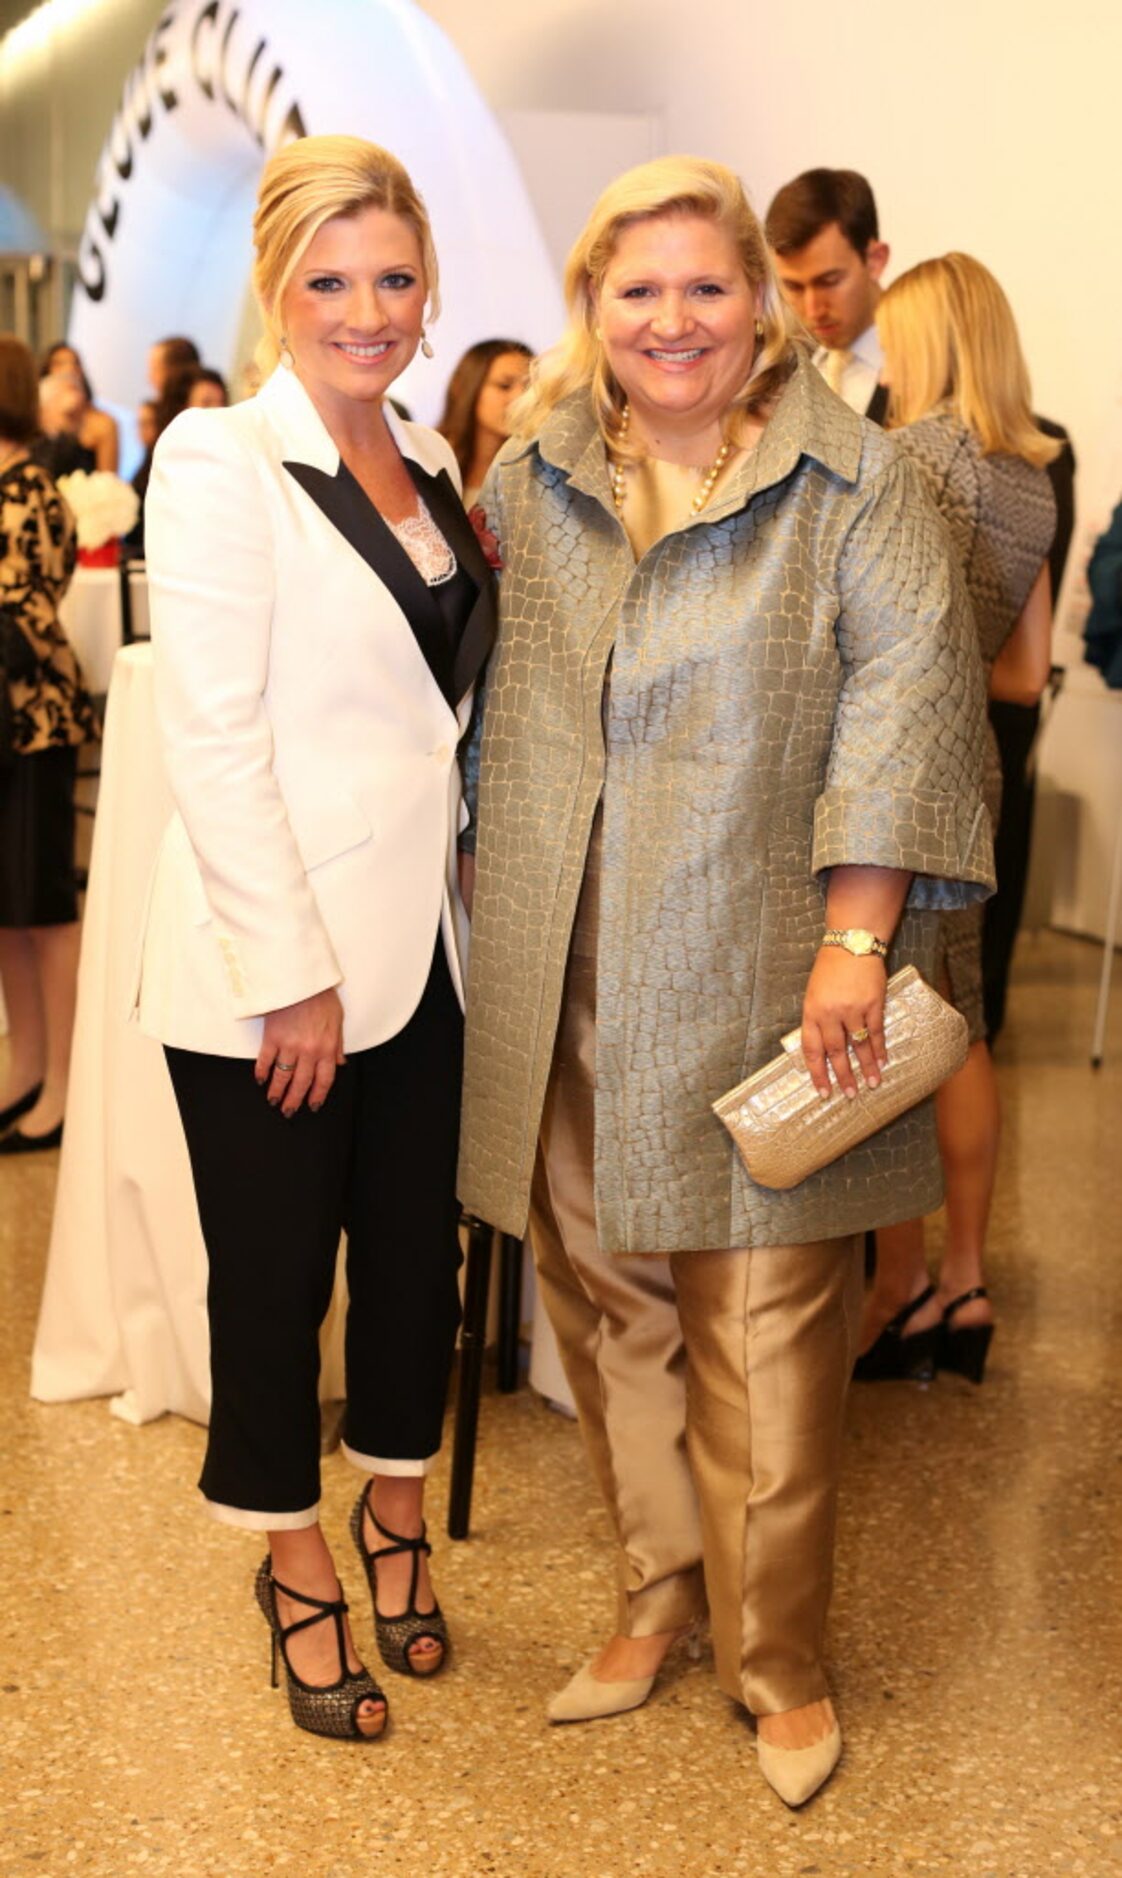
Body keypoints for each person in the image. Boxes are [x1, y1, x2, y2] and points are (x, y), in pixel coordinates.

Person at [457, 156, 992, 1806]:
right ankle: (656, 1597)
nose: (673, 319)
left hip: (767, 953)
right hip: (566, 953)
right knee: (606, 1293)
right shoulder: (531, 472)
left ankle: (781, 1656)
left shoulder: (860, 479)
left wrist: (855, 939)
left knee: (758, 1321)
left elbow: (904, 706)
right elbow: (491, 691)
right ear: (590, 313)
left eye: (707, 286)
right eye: (638, 291)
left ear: (761, 301)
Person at [137, 133, 495, 1742]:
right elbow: (211, 738)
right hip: (271, 970)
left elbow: (439, 724)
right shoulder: (218, 460)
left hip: (426, 947)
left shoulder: (432, 467)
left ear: (430, 287)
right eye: (331, 280)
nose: (369, 309)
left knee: (415, 1276)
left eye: (395, 277)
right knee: (275, 1283)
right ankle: (292, 1568)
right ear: (279, 290)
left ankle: (395, 1523)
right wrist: (291, 974)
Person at [855, 254, 1058, 1387]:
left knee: (888, 1018)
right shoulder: (1032, 475)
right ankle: (965, 1276)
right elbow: (1024, 673)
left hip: (897, 761)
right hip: (974, 755)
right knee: (959, 1022)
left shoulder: (906, 458)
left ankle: (897, 1282)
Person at [0, 336, 97, 1153]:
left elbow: (28, 613)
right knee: (8, 911)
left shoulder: (27, 486)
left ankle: (63, 1081)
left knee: (43, 908)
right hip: (9, 722)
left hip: (30, 723)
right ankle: (23, 1064)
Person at [765, 168, 890, 423]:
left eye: (829, 281)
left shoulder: (932, 369)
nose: (813, 310)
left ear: (875, 260)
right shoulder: (776, 372)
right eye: (793, 287)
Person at [437, 338, 531, 507]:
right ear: (468, 388)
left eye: (530, 387)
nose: (520, 398)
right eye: (504, 386)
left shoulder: (542, 469)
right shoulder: (432, 460)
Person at [39, 341, 119, 472]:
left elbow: (108, 482)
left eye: (75, 363)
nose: (69, 369)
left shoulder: (103, 424)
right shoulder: (34, 421)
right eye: (59, 364)